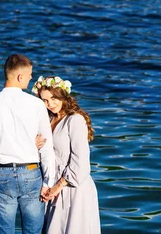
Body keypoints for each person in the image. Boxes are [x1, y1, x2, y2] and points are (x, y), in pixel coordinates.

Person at [0, 54, 56, 234]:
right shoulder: (36, 105)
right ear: (20, 77)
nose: (31, 78)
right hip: (30, 172)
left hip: (1, 174)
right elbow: (47, 146)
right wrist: (48, 181)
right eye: (29, 75)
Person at [32, 76, 101, 234]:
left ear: (63, 96)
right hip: (51, 184)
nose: (50, 104)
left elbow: (81, 161)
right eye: (45, 100)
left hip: (72, 187)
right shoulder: (47, 121)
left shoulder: (75, 121)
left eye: (53, 98)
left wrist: (57, 187)